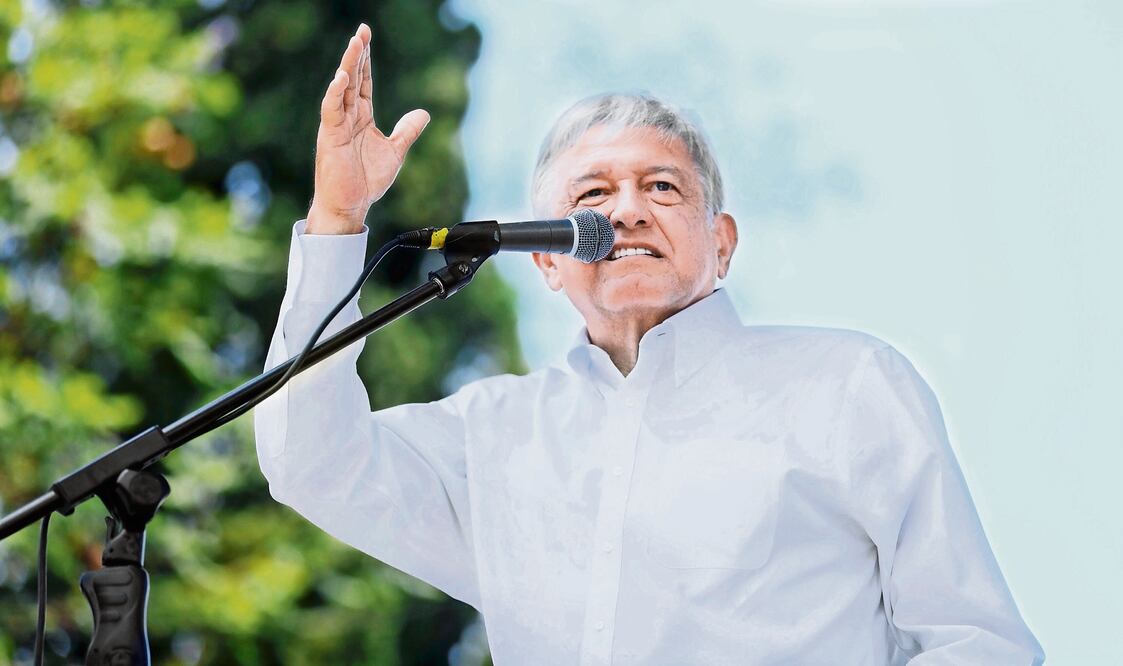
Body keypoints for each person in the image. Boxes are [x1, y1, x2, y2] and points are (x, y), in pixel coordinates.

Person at [255, 23, 1045, 665]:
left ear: (721, 242)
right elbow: (311, 460)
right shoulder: (494, 434)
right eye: (592, 195)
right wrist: (337, 217)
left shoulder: (845, 384)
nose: (626, 212)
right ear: (546, 261)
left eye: (662, 187)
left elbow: (976, 643)